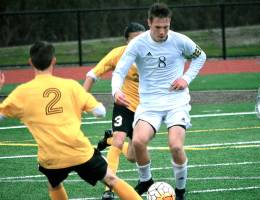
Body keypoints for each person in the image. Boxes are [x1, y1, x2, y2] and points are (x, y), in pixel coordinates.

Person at [0, 41, 142, 200]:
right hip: (80, 152)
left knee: (54, 184)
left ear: (30, 62)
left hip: (51, 157)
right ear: (54, 60)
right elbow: (100, 112)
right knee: (111, 179)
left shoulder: (21, 93)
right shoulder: (70, 86)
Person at [112, 3, 207, 200]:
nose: (162, 32)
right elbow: (120, 70)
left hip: (176, 102)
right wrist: (116, 90)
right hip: (149, 105)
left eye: (166, 27)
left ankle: (180, 191)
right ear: (149, 23)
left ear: (169, 23)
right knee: (138, 141)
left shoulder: (180, 40)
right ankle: (146, 180)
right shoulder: (137, 44)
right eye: (157, 27)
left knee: (176, 146)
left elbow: (201, 56)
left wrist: (186, 78)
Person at [83, 22, 146, 200]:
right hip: (124, 105)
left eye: (142, 38)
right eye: (134, 39)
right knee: (119, 140)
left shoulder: (153, 53)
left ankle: (108, 140)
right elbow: (92, 75)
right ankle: (108, 189)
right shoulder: (118, 54)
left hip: (146, 110)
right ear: (126, 41)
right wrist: (81, 100)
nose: (139, 42)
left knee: (134, 156)